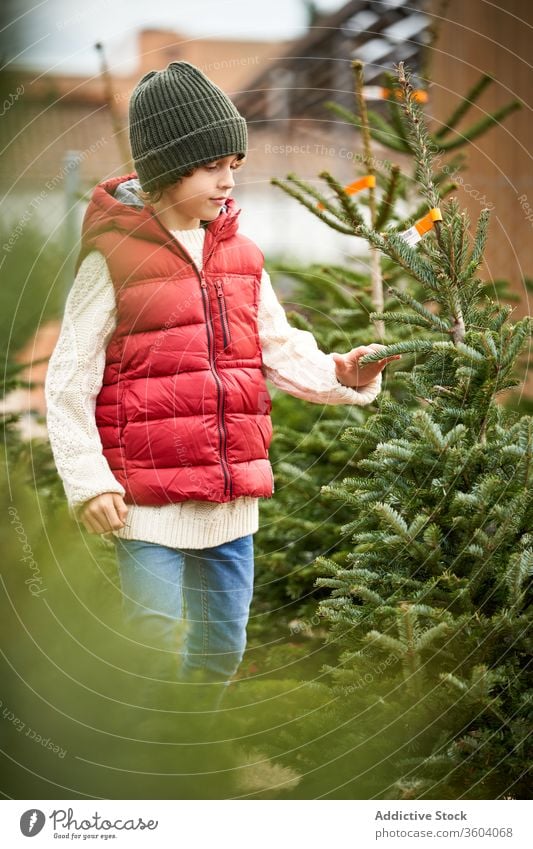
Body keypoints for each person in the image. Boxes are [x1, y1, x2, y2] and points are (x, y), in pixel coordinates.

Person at [45, 61, 399, 714]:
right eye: (211, 164)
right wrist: (88, 480)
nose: (229, 179)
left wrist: (343, 377)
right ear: (164, 168)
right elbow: (67, 380)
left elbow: (280, 348)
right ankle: (145, 760)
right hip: (148, 505)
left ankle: (188, 743)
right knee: (149, 641)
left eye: (233, 162)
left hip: (232, 503)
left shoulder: (242, 257)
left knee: (221, 646)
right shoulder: (113, 259)